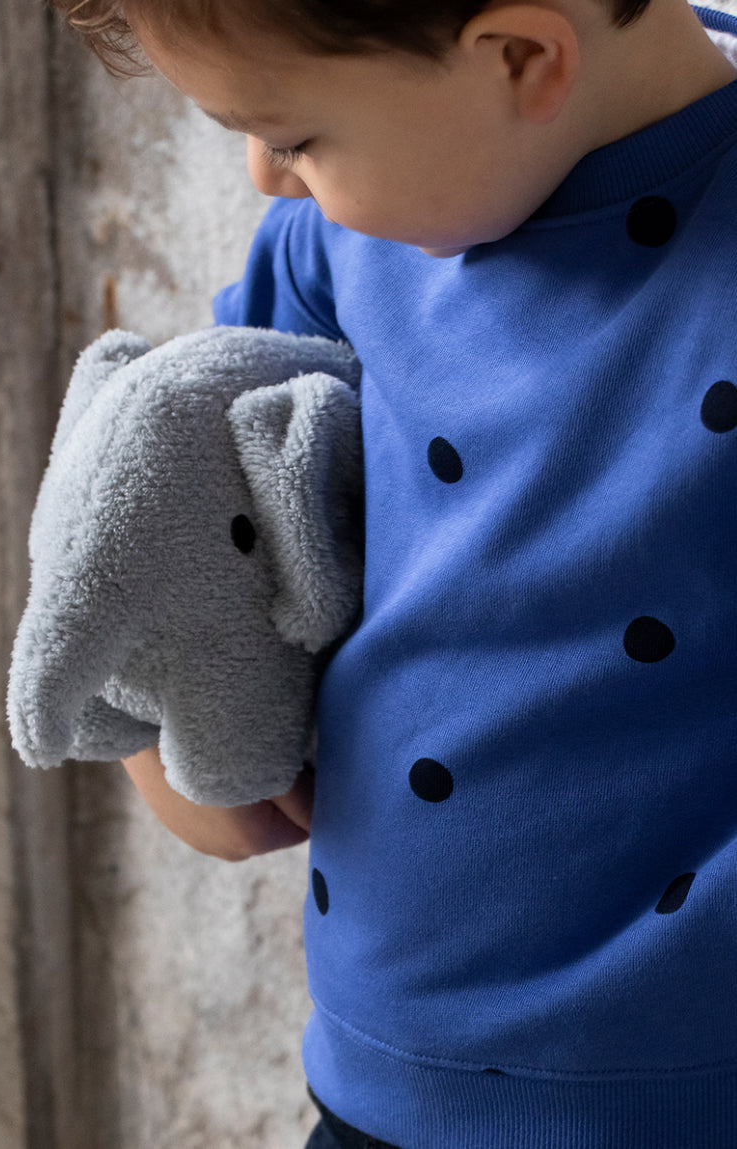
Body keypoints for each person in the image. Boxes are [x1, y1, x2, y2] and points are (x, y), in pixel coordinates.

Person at [51, 0, 737, 1143]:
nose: (267, 178)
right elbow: (189, 496)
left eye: (298, 137)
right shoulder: (345, 244)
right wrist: (173, 741)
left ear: (521, 57)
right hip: (379, 1076)